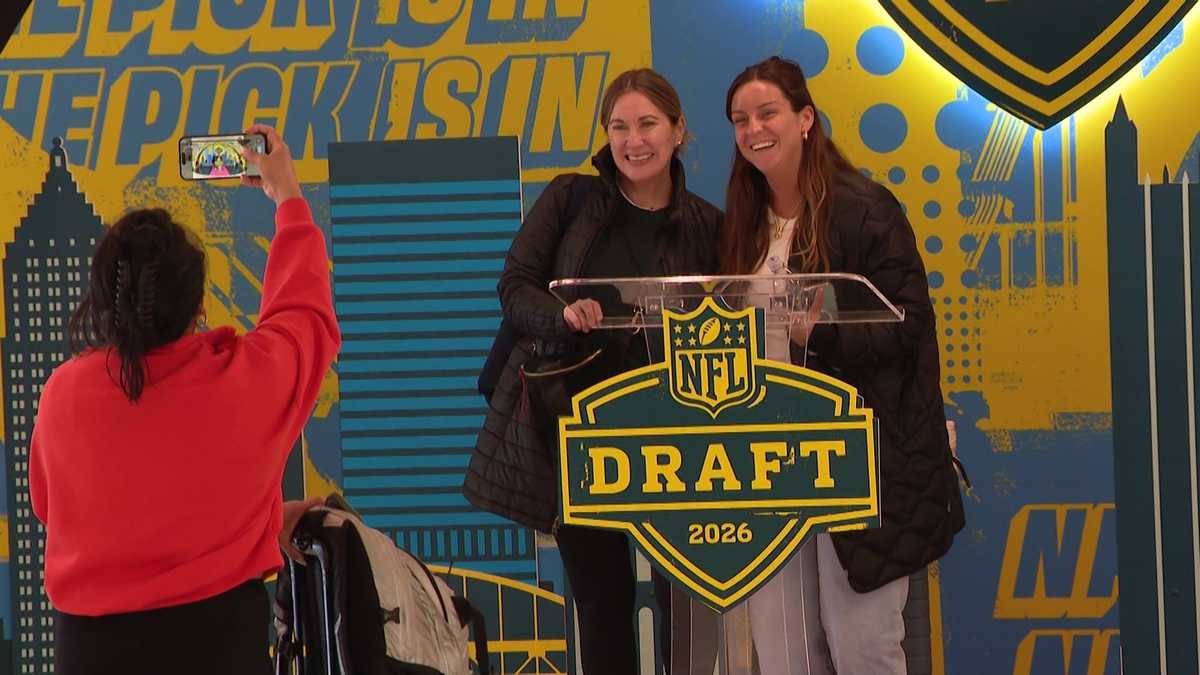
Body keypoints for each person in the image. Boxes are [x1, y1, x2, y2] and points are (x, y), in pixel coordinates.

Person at [30, 124, 341, 675]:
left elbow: (63, 511)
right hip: (218, 650)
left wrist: (256, 522)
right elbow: (305, 315)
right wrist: (286, 194)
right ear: (197, 304)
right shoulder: (245, 381)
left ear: (102, 302)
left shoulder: (62, 397)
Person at [463, 68, 723, 673]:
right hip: (581, 435)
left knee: (684, 610)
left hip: (677, 445)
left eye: (648, 124)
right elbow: (515, 287)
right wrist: (562, 314)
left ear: (679, 130)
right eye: (619, 126)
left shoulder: (711, 224)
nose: (634, 141)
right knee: (601, 611)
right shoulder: (569, 198)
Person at [720, 56, 965, 674]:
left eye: (768, 112)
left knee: (862, 648)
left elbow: (909, 325)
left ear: (806, 119)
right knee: (783, 655)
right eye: (740, 119)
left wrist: (823, 333)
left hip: (862, 455)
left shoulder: (865, 208)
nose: (754, 129)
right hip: (768, 459)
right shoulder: (740, 223)